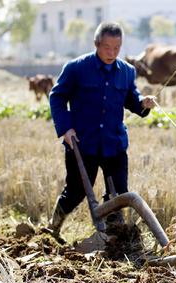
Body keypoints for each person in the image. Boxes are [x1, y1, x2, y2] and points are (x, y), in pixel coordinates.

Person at [47, 22, 156, 239]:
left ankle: (114, 238)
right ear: (96, 44)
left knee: (118, 194)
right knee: (76, 192)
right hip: (82, 143)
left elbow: (131, 99)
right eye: (107, 47)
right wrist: (66, 129)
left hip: (113, 143)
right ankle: (53, 227)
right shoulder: (76, 68)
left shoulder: (127, 71)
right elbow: (57, 97)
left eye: (117, 48)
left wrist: (142, 103)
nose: (112, 52)